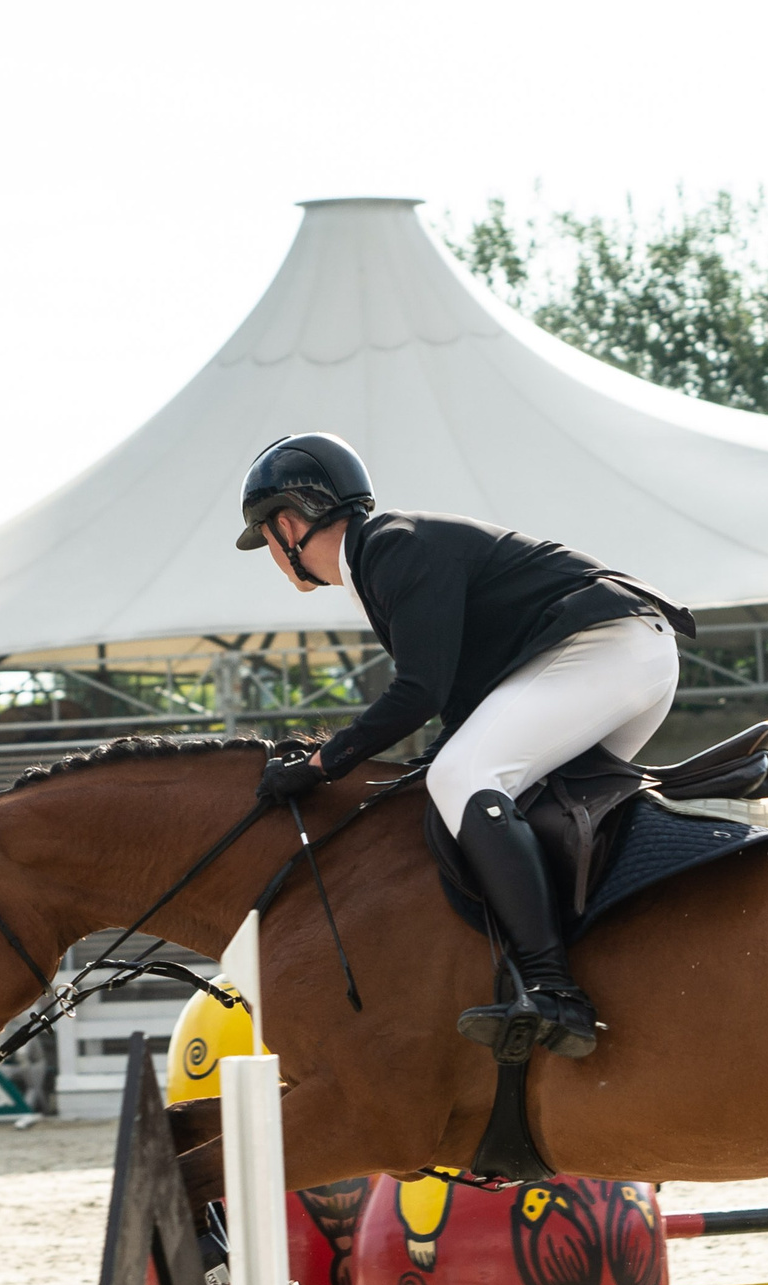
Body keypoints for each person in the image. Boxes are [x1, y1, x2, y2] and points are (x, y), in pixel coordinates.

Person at [240, 433, 689, 1062]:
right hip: (618, 654)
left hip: (608, 649)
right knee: (510, 796)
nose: (271, 554)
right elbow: (461, 698)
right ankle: (590, 958)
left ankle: (552, 987)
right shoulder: (382, 556)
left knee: (461, 777)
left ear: (289, 524)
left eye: (265, 539)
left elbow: (420, 692)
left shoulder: (390, 548)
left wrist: (322, 765)